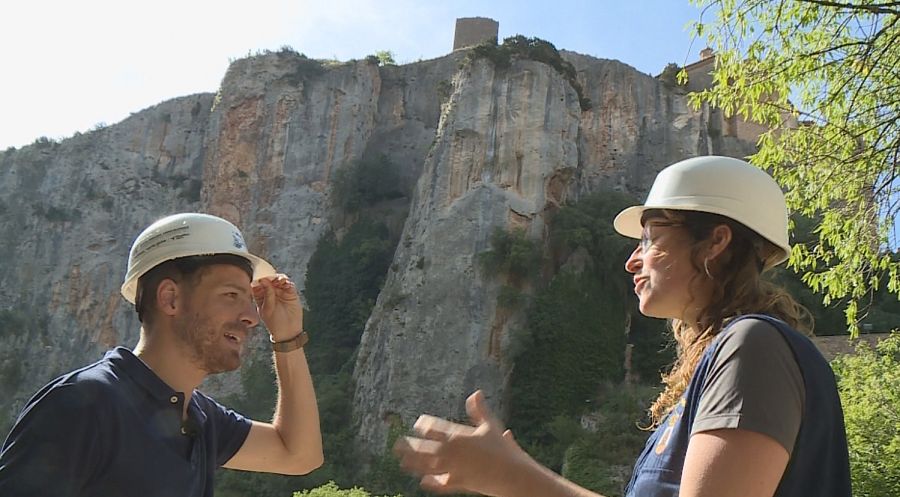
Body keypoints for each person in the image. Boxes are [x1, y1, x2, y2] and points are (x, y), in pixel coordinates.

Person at [393, 156, 852, 497]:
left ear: (716, 241)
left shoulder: (753, 347)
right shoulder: (731, 359)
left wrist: (515, 478)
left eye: (650, 238)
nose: (632, 259)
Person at [0, 213, 324, 496]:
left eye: (249, 300)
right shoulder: (84, 404)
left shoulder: (200, 418)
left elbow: (298, 454)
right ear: (170, 298)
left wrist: (286, 336)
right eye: (230, 295)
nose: (252, 316)